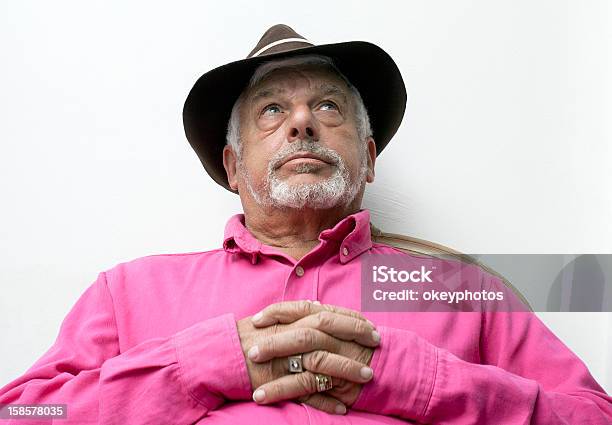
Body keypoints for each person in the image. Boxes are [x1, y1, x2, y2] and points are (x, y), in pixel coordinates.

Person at [1, 24, 610, 424]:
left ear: (369, 157)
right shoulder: (127, 291)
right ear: (233, 168)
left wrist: (424, 380)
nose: (302, 124)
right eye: (272, 110)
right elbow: (26, 416)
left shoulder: (461, 291)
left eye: (327, 106)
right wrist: (192, 368)